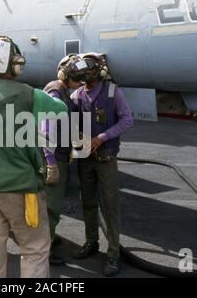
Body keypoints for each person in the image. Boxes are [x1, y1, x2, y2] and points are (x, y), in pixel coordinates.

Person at [0, 36, 67, 278]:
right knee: (35, 250)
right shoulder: (27, 94)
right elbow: (61, 110)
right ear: (13, 66)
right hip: (21, 192)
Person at [70, 53, 133, 277]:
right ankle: (91, 242)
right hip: (85, 159)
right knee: (87, 202)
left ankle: (113, 255)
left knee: (110, 207)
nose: (81, 75)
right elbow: (73, 123)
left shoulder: (113, 93)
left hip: (106, 158)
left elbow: (127, 119)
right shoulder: (77, 96)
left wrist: (102, 137)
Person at [41, 54, 88, 265]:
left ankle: (45, 239)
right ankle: (44, 252)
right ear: (64, 75)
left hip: (59, 155)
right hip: (53, 158)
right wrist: (51, 164)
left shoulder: (61, 91)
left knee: (48, 204)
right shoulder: (55, 94)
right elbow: (46, 132)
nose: (80, 83)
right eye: (77, 78)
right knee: (51, 206)